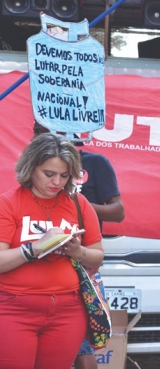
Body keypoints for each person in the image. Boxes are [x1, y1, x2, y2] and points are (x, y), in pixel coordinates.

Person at [0, 133, 104, 368]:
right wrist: (35, 248)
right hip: (14, 309)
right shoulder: (8, 203)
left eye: (64, 176)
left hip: (68, 311)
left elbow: (98, 255)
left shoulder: (79, 203)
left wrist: (77, 251)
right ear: (31, 167)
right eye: (49, 174)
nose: (57, 182)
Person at [33, 121, 125, 369]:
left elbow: (118, 212)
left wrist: (74, 200)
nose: (56, 180)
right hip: (38, 274)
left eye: (63, 176)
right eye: (37, 130)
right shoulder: (34, 169)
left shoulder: (95, 163)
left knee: (83, 350)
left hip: (79, 268)